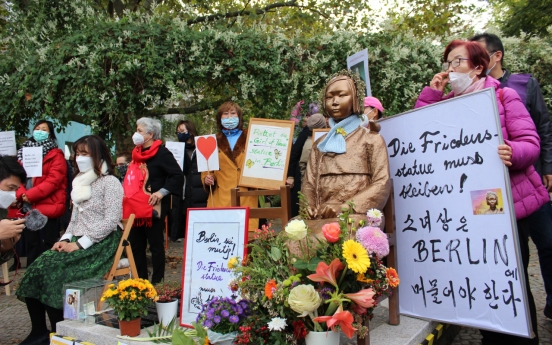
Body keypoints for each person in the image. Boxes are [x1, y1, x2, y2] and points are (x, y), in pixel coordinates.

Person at [415, 39, 550, 345]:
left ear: (478, 67)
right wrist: (430, 96)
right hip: (466, 207)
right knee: (482, 274)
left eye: (457, 62)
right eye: (447, 63)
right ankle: (492, 335)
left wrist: (511, 152)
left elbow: (531, 142)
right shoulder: (447, 103)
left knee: (510, 277)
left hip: (504, 203)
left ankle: (522, 338)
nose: (450, 69)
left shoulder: (504, 95)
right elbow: (421, 138)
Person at [470, 32, 552, 319]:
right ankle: (515, 319)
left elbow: (541, 130)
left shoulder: (521, 85)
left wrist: (548, 166)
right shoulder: (470, 93)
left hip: (529, 183)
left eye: (477, 54)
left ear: (496, 56)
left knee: (548, 242)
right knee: (512, 259)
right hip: (491, 195)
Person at [16, 135, 123, 345]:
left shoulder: (110, 182)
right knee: (37, 267)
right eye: (78, 153)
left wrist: (80, 243)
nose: (79, 158)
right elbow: (74, 218)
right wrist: (64, 239)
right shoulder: (79, 181)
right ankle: (38, 330)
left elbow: (111, 221)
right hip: (75, 238)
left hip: (100, 242)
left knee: (55, 273)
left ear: (98, 155)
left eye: (85, 154)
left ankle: (60, 331)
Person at [302, 71, 391, 221]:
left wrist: (344, 207)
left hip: (356, 215)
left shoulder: (372, 139)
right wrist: (308, 205)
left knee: (331, 238)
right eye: (329, 97)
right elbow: (309, 183)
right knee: (291, 238)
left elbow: (382, 182)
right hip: (320, 215)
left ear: (355, 100)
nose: (334, 101)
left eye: (341, 95)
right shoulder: (321, 144)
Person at [123, 117, 183, 285]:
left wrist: (161, 193)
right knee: (136, 245)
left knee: (155, 246)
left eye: (140, 131)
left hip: (153, 207)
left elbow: (177, 177)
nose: (136, 134)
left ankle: (158, 284)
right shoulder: (136, 154)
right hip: (134, 208)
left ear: (150, 134)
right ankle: (141, 283)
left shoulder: (162, 153)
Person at [15, 120, 67, 267]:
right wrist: (22, 194)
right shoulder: (24, 153)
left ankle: (49, 277)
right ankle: (31, 278)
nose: (39, 131)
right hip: (28, 208)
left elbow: (54, 180)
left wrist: (30, 195)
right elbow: (17, 178)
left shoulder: (56, 155)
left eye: (44, 129)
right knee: (32, 245)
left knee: (48, 245)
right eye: (37, 128)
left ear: (50, 133)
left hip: (48, 207)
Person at [202, 102, 258, 230]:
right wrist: (207, 178)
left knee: (245, 238)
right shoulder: (212, 140)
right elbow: (206, 169)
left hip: (245, 195)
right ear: (219, 118)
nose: (229, 117)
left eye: (233, 113)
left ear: (239, 117)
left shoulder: (252, 137)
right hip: (220, 196)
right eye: (225, 114)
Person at [170, 120, 208, 241]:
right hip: (182, 196)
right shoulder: (176, 151)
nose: (180, 134)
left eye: (182, 131)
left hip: (200, 194)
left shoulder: (202, 148)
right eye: (178, 132)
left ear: (191, 131)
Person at [0, 156, 26, 249]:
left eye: (15, 190)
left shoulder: (2, 211)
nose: (13, 196)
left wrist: (6, 248)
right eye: (10, 188)